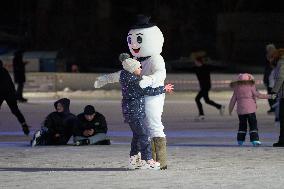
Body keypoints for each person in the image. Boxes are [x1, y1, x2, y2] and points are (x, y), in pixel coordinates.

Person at [94, 15, 169, 169]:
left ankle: (159, 160)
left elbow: (161, 74)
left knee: (153, 124)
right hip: (139, 99)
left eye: (139, 40)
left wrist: (150, 79)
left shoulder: (155, 58)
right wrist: (103, 79)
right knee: (142, 129)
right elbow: (118, 75)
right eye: (131, 40)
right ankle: (143, 159)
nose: (134, 44)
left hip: (153, 95)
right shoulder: (134, 62)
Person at [120, 57, 173, 170]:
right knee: (144, 136)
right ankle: (148, 160)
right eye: (138, 67)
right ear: (132, 69)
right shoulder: (135, 82)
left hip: (130, 113)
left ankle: (133, 160)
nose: (141, 69)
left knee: (137, 136)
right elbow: (148, 91)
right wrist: (163, 89)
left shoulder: (126, 78)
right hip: (135, 114)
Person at [229, 73, 273, 146]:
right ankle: (255, 140)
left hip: (241, 111)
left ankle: (240, 140)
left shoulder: (236, 88)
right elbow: (259, 95)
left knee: (242, 125)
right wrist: (271, 96)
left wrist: (230, 109)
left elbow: (233, 100)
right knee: (253, 125)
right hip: (250, 110)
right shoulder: (251, 86)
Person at [0, 60, 30, 136]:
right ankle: (24, 124)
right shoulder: (4, 70)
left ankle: (24, 125)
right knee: (15, 110)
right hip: (10, 93)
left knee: (15, 110)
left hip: (4, 93)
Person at [192, 53, 225, 121]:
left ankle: (201, 115)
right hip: (203, 87)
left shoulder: (206, 67)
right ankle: (220, 106)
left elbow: (216, 68)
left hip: (206, 86)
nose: (194, 62)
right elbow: (185, 68)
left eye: (195, 61)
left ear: (199, 61)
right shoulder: (196, 68)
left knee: (197, 99)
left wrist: (224, 67)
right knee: (206, 100)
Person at [271, 49, 284, 147]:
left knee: (282, 118)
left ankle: (282, 140)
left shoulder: (281, 63)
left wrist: (274, 91)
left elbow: (280, 78)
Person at [263, 44, 277, 113]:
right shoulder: (267, 58)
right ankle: (273, 107)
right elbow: (266, 71)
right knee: (270, 95)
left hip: (274, 79)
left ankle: (275, 107)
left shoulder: (277, 58)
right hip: (269, 79)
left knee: (274, 94)